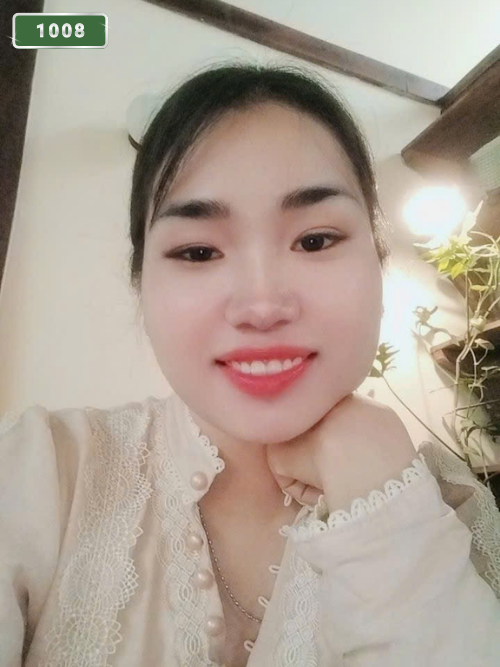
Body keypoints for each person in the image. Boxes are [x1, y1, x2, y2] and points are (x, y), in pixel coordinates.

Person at [1, 63, 499, 667]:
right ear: (141, 285)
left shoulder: (453, 510)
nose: (262, 306)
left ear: (379, 262)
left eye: (315, 240)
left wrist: (382, 501)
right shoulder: (41, 474)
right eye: (198, 251)